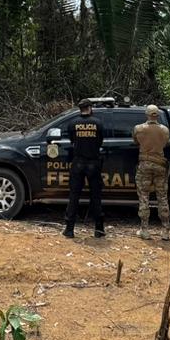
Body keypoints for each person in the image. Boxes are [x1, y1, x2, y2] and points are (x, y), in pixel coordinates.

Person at [56, 98, 106, 239]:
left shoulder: (73, 123)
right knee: (95, 196)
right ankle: (99, 229)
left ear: (80, 109)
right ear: (90, 108)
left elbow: (72, 141)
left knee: (74, 196)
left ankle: (69, 229)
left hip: (78, 163)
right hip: (94, 162)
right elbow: (100, 141)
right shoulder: (98, 123)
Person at [133, 105, 170, 239]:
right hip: (160, 165)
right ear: (158, 116)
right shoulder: (165, 130)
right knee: (162, 197)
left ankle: (145, 230)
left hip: (145, 164)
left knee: (144, 197)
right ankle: (165, 231)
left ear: (147, 114)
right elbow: (166, 143)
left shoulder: (139, 129)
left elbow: (135, 141)